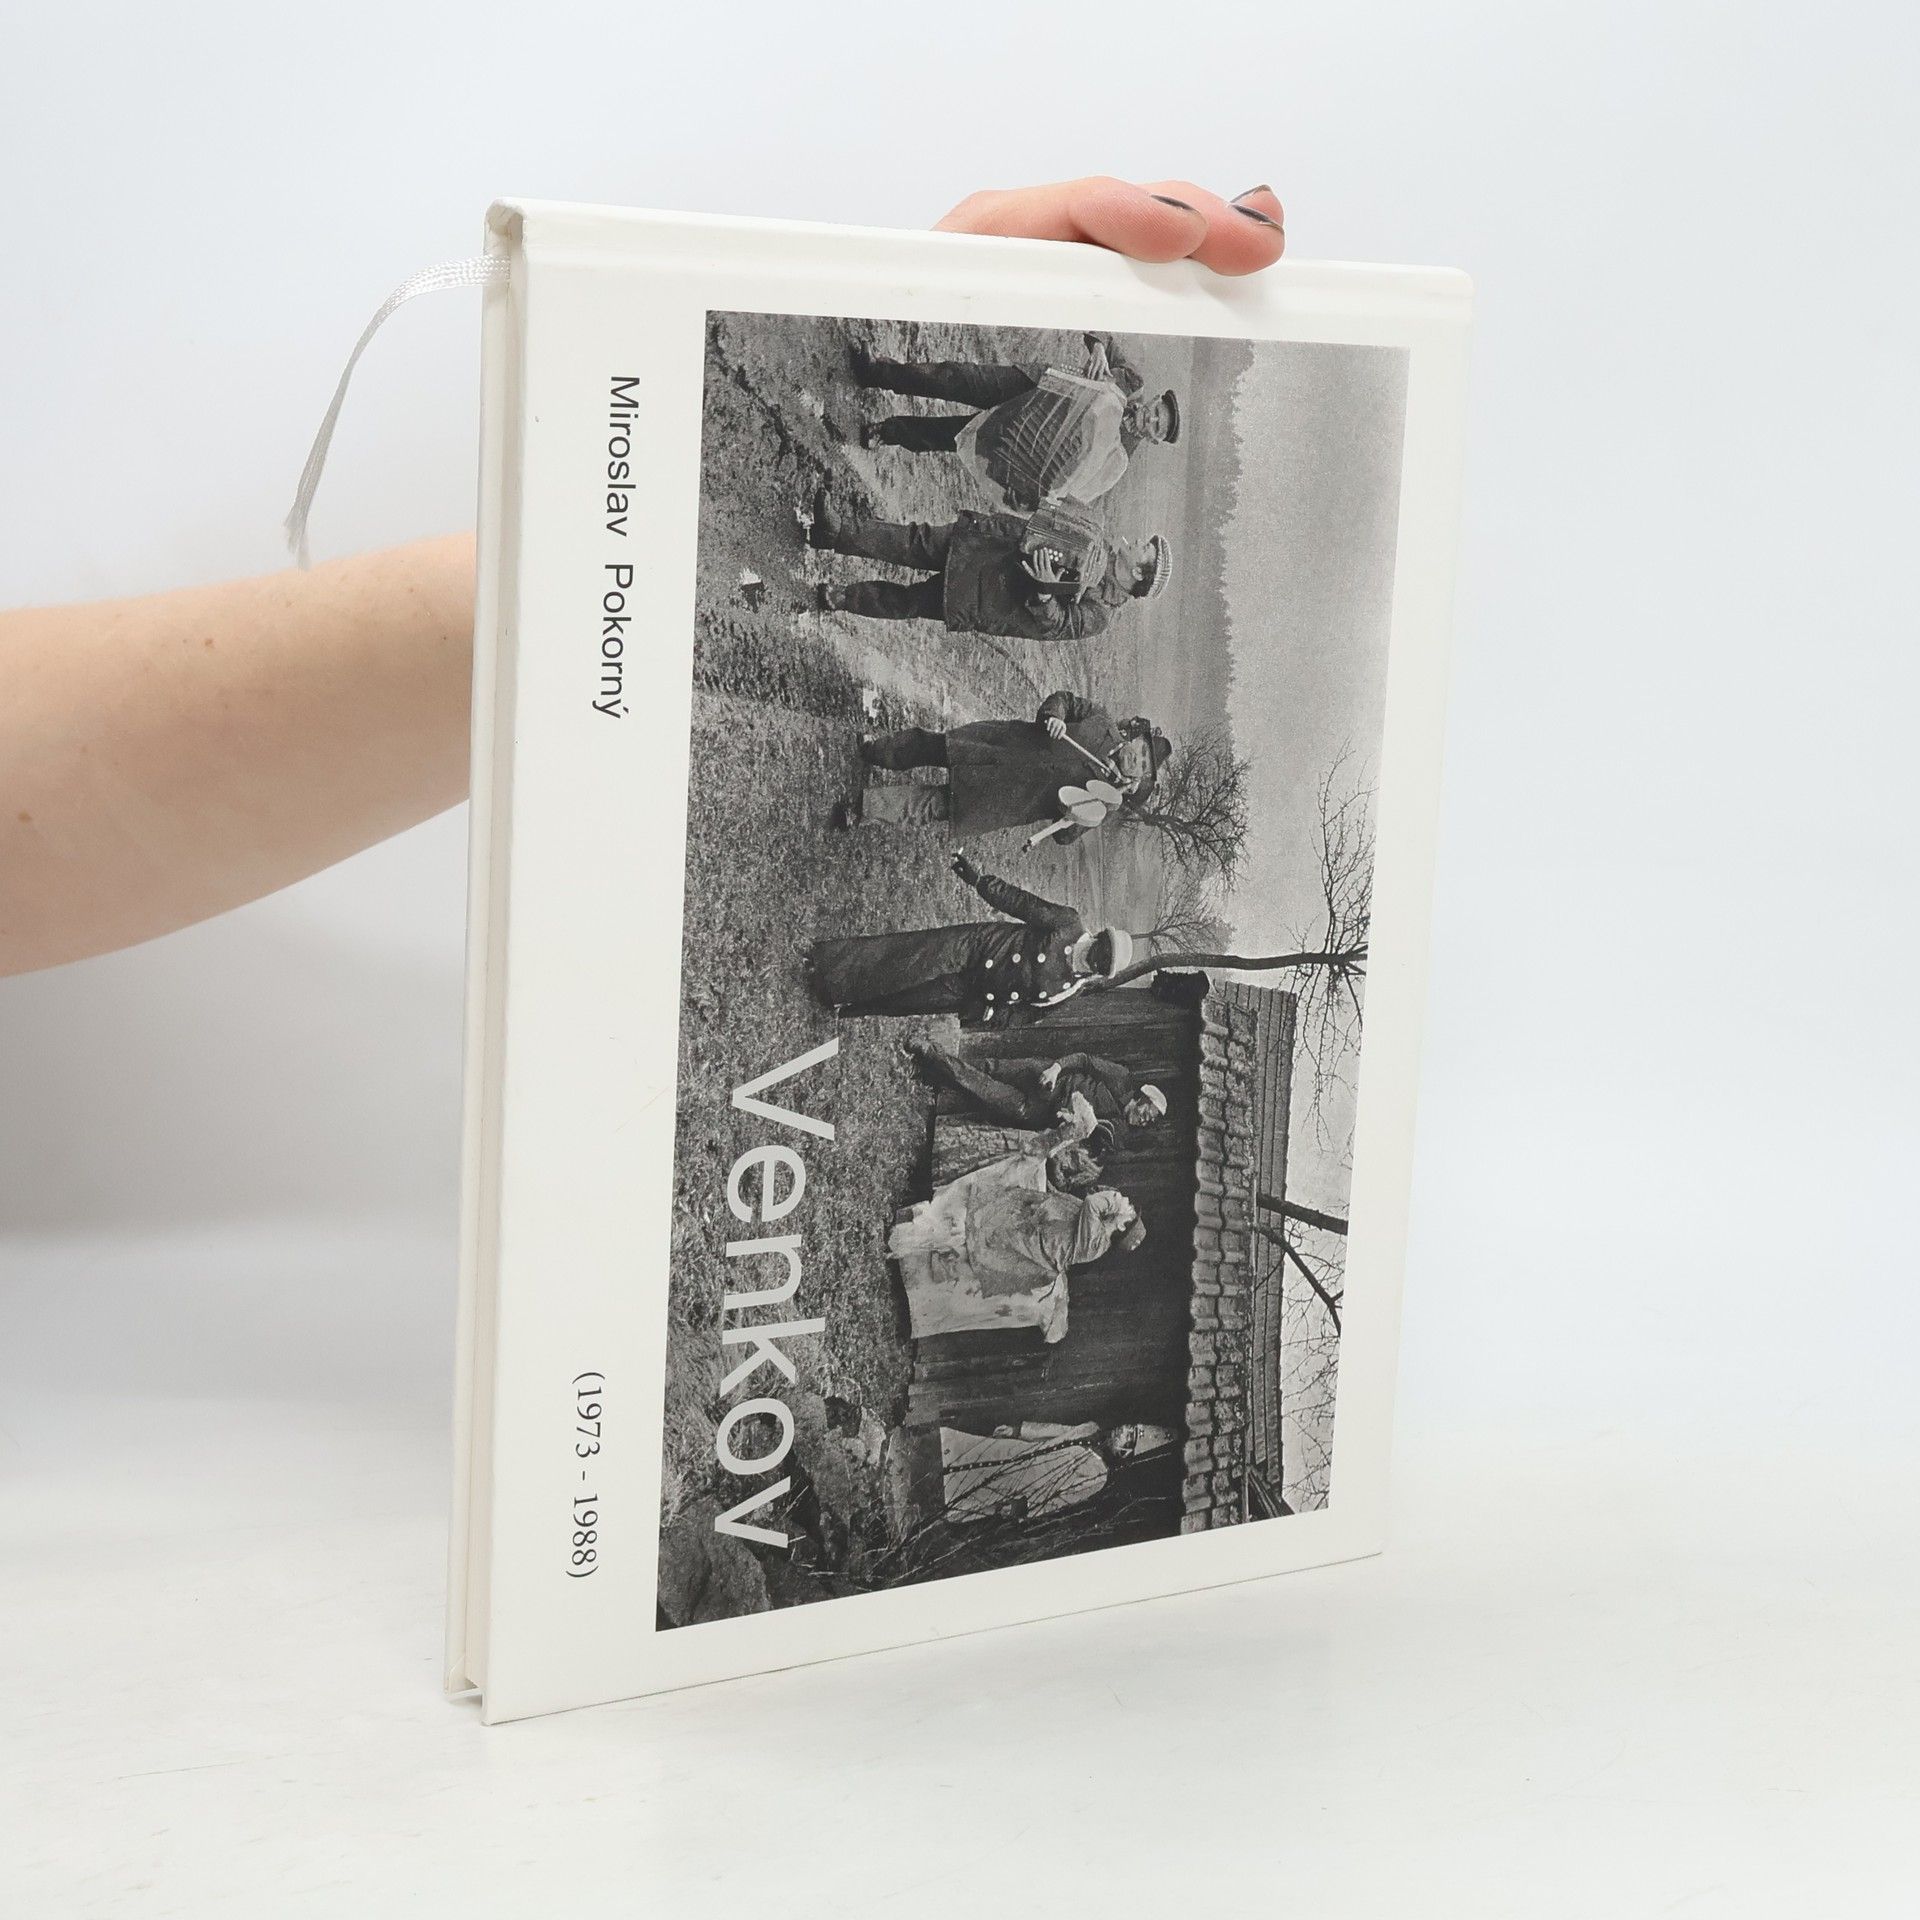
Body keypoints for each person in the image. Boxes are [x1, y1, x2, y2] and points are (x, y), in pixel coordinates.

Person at [0, 178, 1283, 978]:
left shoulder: (1093, 631)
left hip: (975, 624)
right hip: (969, 569)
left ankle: (841, 683)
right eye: (1145, 552)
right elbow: (1042, 573)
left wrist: (1056, 649)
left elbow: (1047, 661)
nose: (1134, 560)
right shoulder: (1096, 551)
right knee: (892, 577)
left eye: (1142, 571)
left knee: (911, 695)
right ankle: (826, 572)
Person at [887, 1091, 1145, 1344]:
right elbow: (1064, 1201)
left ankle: (913, 1243)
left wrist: (1115, 1200)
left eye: (1128, 1212)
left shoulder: (1097, 1241)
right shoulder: (1096, 1227)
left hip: (1030, 1244)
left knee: (977, 1228)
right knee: (987, 1199)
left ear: (1122, 1225)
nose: (1125, 1203)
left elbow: (1092, 1203)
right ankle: (918, 1227)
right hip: (1033, 1224)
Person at [854, 331, 1180, 510]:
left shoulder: (1118, 459)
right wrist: (1098, 350)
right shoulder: (1131, 379)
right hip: (1031, 386)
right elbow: (1101, 334)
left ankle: (888, 432)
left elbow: (1071, 492)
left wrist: (1027, 496)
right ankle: (878, 372)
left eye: (1155, 427)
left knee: (950, 436)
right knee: (957, 378)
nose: (1149, 419)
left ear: (1153, 439)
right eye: (1156, 412)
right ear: (1154, 400)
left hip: (1024, 440)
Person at [808, 849, 1134, 1028]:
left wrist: (990, 1014)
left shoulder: (1069, 990)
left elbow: (1027, 1016)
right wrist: (980, 882)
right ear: (1099, 938)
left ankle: (844, 1003)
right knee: (909, 958)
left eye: (1103, 965)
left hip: (975, 991)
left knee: (913, 1000)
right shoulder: (1068, 924)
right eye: (1102, 951)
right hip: (978, 946)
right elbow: (1021, 904)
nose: (1096, 960)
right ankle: (826, 967)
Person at [810, 494, 1171, 641]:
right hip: (989, 544)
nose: (1139, 542)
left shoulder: (1100, 614)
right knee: (915, 540)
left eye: (1145, 550)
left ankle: (844, 598)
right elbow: (1049, 518)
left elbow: (1055, 626)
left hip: (991, 596)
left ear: (1139, 573)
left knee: (909, 601)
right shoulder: (1100, 542)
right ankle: (837, 533)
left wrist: (1046, 592)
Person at [836, 691, 1171, 839]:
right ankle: (875, 751)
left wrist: (1092, 812)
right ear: (1136, 740)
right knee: (933, 746)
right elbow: (1064, 700)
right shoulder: (1102, 722)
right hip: (1000, 745)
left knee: (929, 805)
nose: (1136, 758)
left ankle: (862, 810)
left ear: (1139, 776)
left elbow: (1064, 837)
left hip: (1002, 799)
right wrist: (1054, 717)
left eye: (1142, 764)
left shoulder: (1105, 801)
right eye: (1142, 750)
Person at [889, 1418, 1179, 1529]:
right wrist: (1019, 1430)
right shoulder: (1091, 1429)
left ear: (1126, 1453)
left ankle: (912, 1500)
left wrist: (1020, 1508)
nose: (1121, 1431)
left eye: (1128, 1437)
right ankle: (909, 1458)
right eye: (1127, 1427)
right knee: (968, 1450)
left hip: (1022, 1483)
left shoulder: (1098, 1477)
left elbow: (1059, 1500)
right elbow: (1053, 1430)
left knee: (968, 1491)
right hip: (1016, 1453)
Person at [904, 1037, 1168, 1154]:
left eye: (1149, 1122)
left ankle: (929, 1054)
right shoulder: (1120, 1078)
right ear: (1143, 1099)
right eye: (1149, 1113)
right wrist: (1056, 1068)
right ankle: (930, 1071)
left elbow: (1080, 1144)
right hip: (1045, 1076)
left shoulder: (1115, 1133)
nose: (1145, 1120)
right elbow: (1084, 1060)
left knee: (984, 1090)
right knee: (989, 1068)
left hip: (1037, 1111)